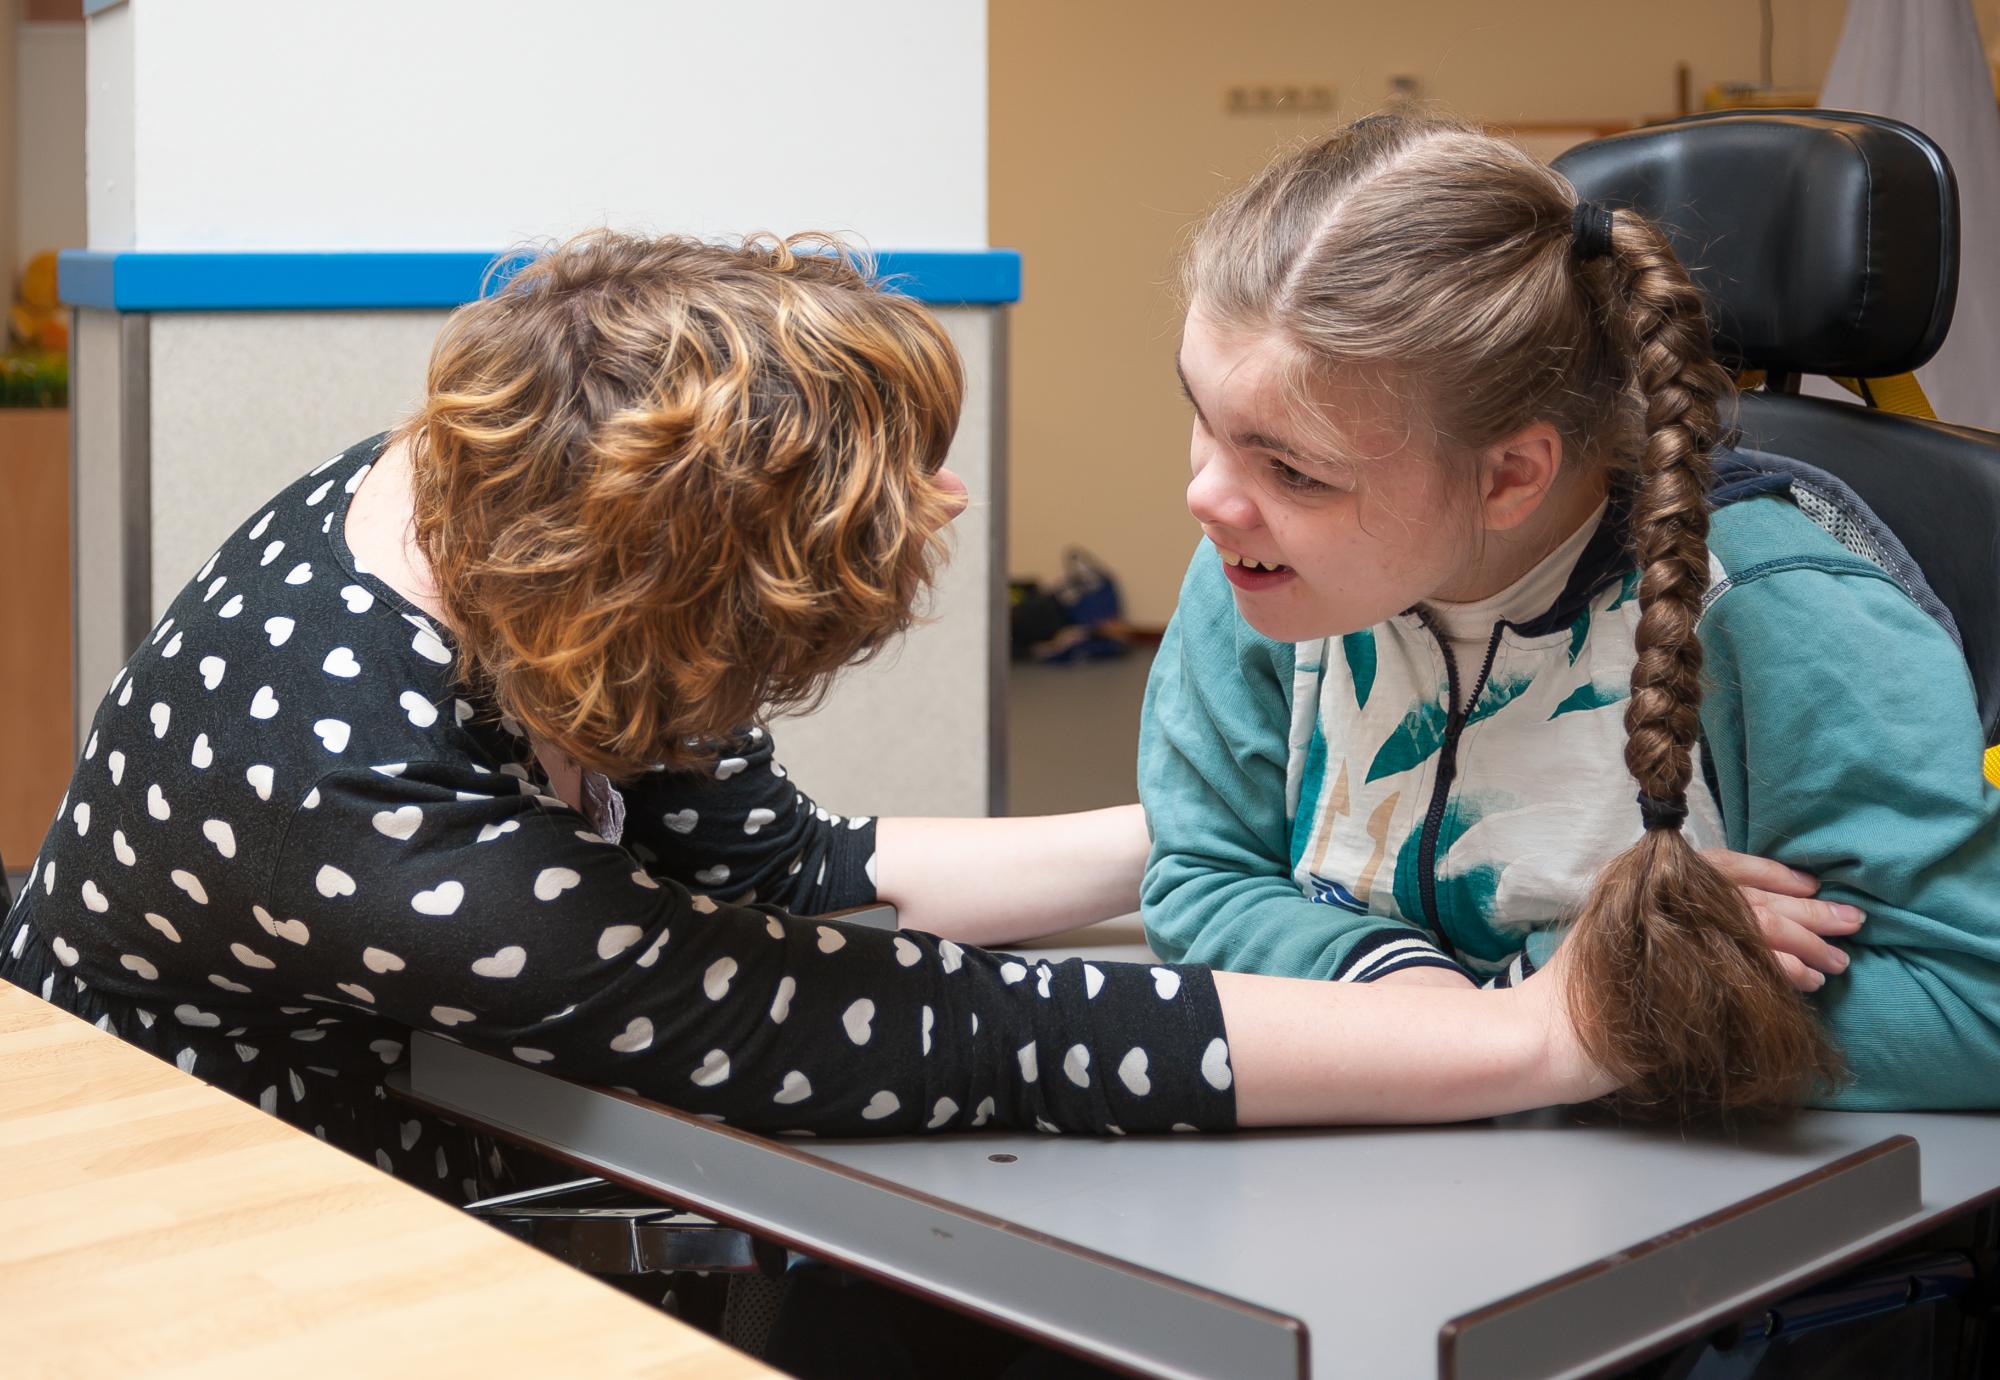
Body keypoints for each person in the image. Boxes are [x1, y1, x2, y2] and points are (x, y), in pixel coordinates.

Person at [0, 229, 1608, 1202]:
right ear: (678, 609)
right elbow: (964, 1033)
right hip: (230, 1231)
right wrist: (1531, 1036)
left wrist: (1254, 835)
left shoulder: (500, 487)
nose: (951, 501)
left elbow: (784, 872)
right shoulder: (382, 825)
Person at [1140, 112, 2000, 1116]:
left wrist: (1582, 1006)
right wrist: (1442, 1013)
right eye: (1203, 418)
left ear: (1510, 475)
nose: (1207, 498)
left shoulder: (1776, 612)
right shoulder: (1261, 566)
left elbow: (1972, 1007)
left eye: (1292, 470)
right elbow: (1200, 877)